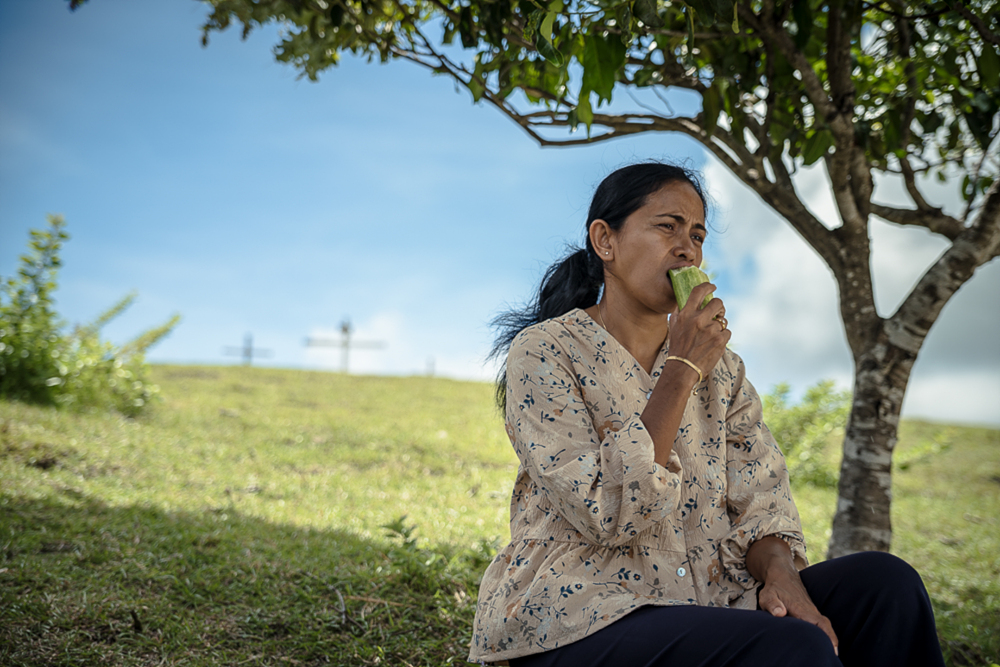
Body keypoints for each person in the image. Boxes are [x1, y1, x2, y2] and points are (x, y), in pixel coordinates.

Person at [467, 162, 945, 667]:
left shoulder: (725, 371)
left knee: (887, 585)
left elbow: (761, 500)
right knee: (793, 648)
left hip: (710, 598)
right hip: (580, 615)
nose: (686, 248)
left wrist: (782, 576)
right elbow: (608, 512)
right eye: (666, 226)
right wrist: (680, 369)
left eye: (696, 234)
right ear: (605, 241)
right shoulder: (543, 352)